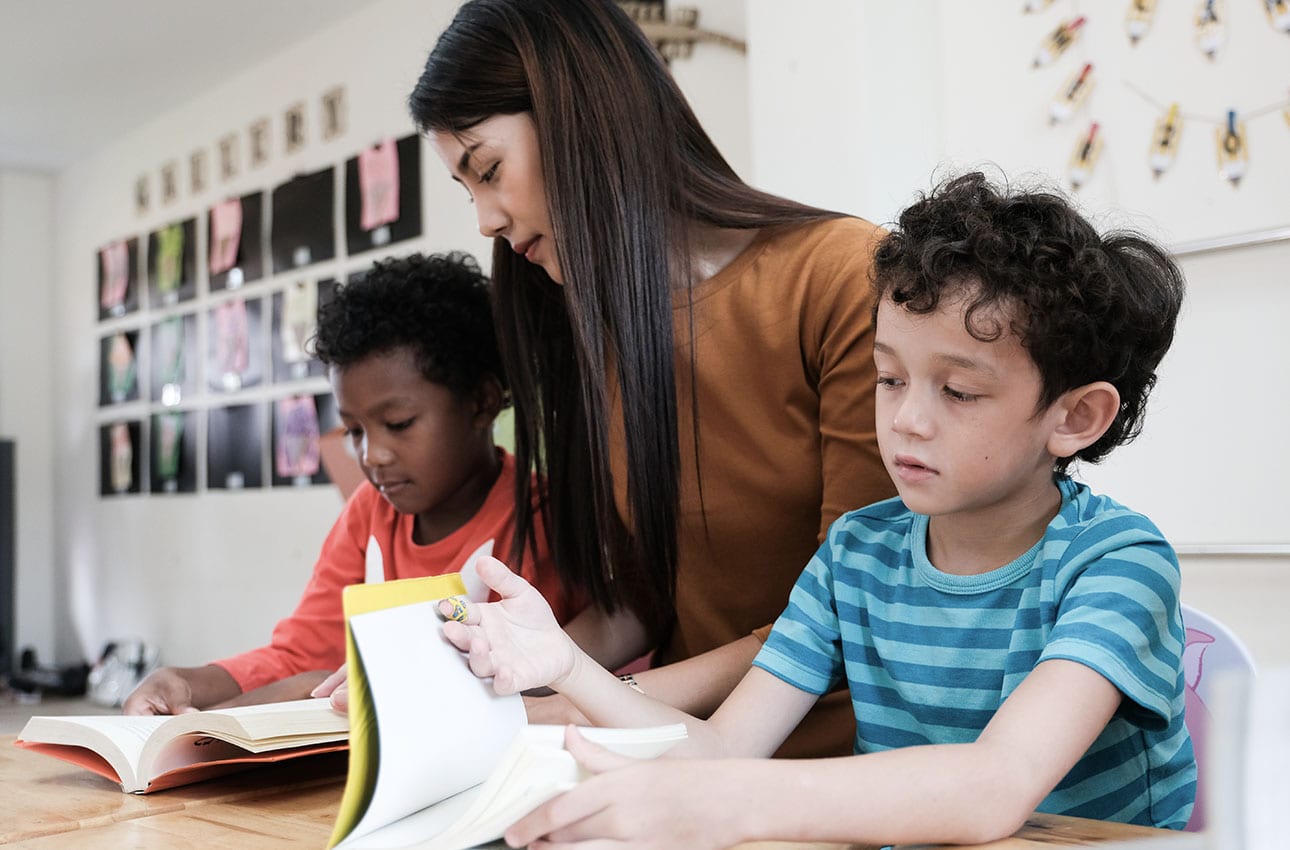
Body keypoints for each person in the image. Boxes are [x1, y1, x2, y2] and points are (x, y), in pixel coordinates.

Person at [438, 173, 1197, 847]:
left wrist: (728, 804)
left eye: (957, 392)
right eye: (889, 378)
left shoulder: (1118, 565)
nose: (907, 420)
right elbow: (722, 752)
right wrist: (568, 667)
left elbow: (994, 785)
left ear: (1075, 418)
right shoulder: (856, 553)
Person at [408, 0, 894, 757]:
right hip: (665, 758)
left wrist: (587, 698)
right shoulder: (598, 323)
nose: (486, 222)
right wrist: (490, 674)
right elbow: (642, 595)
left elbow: (846, 614)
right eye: (468, 190)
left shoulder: (840, 277)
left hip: (841, 770)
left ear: (582, 113)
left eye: (489, 170)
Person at [123, 252, 579, 716]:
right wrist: (185, 682)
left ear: (481, 403)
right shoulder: (369, 512)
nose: (371, 456)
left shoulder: (540, 516)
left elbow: (566, 673)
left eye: (398, 423)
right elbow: (301, 653)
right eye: (355, 430)